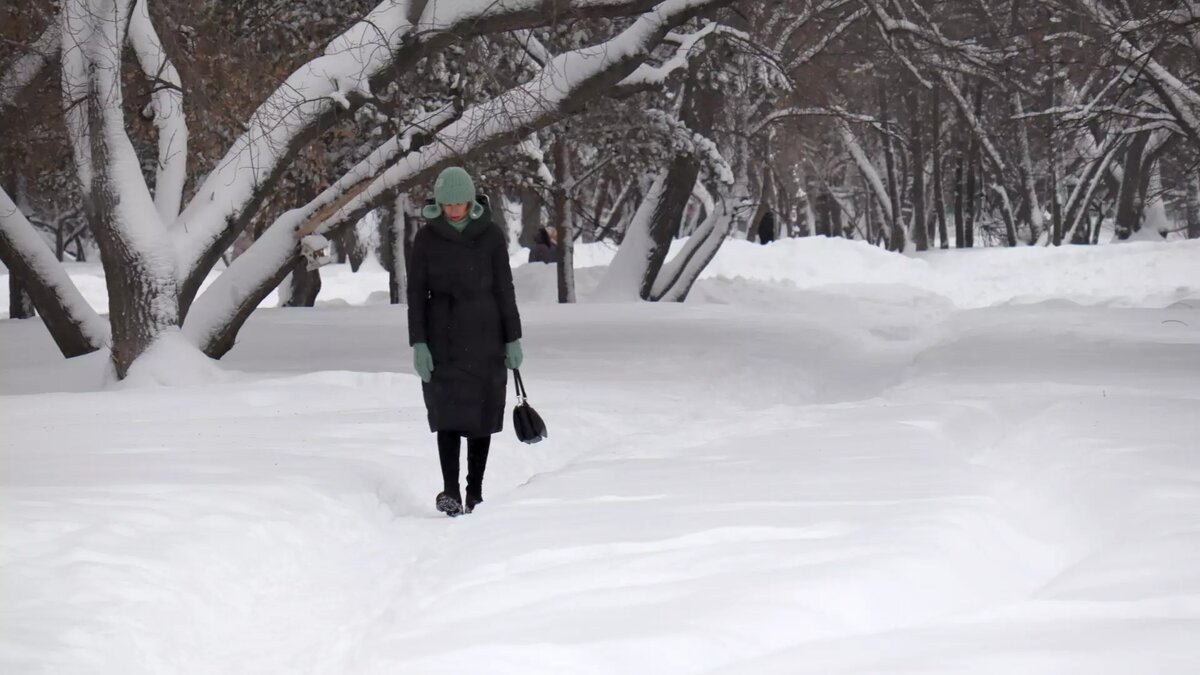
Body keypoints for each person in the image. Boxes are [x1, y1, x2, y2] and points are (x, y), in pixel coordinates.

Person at [407, 166, 524, 517]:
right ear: (439, 203)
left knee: (480, 417)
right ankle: (450, 491)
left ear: (471, 201)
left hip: (487, 334)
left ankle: (475, 492)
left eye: (461, 203)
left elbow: (505, 289)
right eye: (449, 204)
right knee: (448, 417)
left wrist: (513, 338)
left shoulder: (490, 235)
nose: (455, 209)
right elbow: (415, 293)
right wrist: (419, 343)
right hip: (442, 337)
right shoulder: (426, 238)